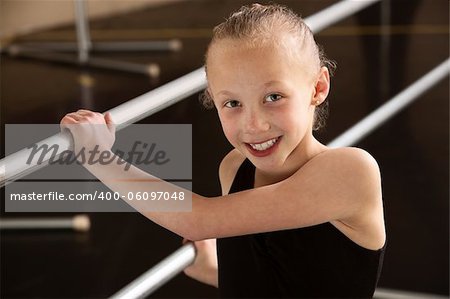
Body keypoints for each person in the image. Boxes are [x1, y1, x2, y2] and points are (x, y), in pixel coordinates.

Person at [60, 3, 386, 298]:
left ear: (318, 88)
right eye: (232, 103)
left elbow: (198, 221)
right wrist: (219, 272)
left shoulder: (351, 173)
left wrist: (97, 156)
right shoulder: (234, 167)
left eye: (273, 97)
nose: (253, 124)